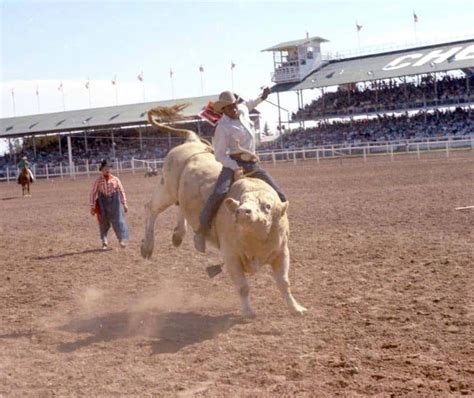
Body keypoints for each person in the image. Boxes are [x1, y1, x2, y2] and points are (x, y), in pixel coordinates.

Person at [194, 88, 287, 253]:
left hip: (252, 163)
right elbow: (219, 155)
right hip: (234, 163)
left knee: (279, 194)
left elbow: (250, 103)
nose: (234, 108)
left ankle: (280, 228)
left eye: (234, 104)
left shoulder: (242, 110)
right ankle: (201, 229)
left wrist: (262, 97)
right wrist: (235, 167)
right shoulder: (222, 127)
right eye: (229, 106)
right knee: (220, 192)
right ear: (223, 110)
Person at [89, 160, 129, 249]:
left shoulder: (115, 179)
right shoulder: (98, 181)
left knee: (118, 221)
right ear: (101, 170)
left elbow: (121, 191)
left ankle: (121, 240)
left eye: (109, 168)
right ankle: (104, 241)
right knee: (103, 222)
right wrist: (92, 206)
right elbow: (93, 193)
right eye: (105, 168)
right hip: (102, 203)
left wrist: (124, 203)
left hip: (114, 202)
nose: (107, 170)